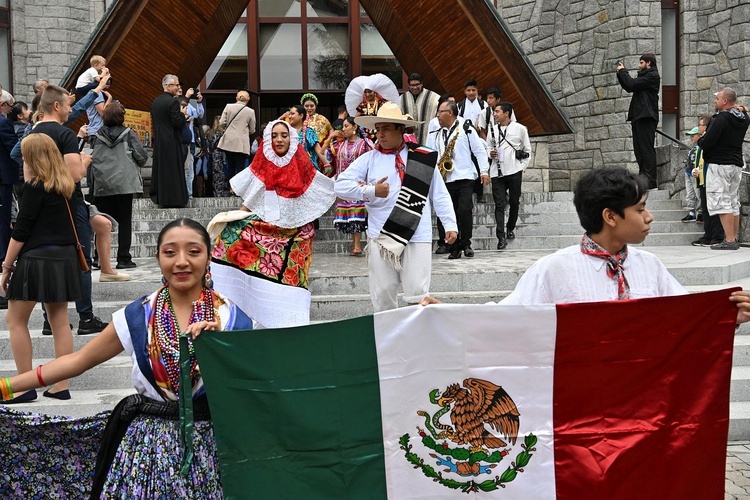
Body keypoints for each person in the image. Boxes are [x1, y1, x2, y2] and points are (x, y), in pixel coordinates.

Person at [0, 218, 254, 498]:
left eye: (193, 251)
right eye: (170, 252)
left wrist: (224, 345)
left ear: (209, 257)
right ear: (158, 258)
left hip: (215, 449)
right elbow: (78, 361)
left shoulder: (233, 319)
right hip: (146, 450)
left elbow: (259, 388)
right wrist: (7, 386)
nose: (182, 261)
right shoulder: (138, 316)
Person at [419, 168, 750, 322]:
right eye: (639, 209)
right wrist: (449, 316)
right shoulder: (556, 269)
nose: (649, 218)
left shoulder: (649, 267)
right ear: (610, 216)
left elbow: (685, 316)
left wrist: (725, 315)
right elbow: (507, 318)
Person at [210, 120, 334, 328]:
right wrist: (236, 216)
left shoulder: (301, 159)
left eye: (284, 135)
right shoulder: (263, 158)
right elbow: (254, 194)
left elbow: (316, 189)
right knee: (234, 236)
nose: (279, 139)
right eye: (274, 135)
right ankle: (260, 313)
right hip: (269, 228)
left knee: (293, 275)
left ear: (291, 138)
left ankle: (292, 322)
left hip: (297, 232)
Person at [335, 102, 458, 312]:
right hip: (381, 236)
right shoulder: (369, 159)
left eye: (386, 129)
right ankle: (388, 341)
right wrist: (372, 191)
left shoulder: (422, 158)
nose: (380, 135)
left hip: (416, 233)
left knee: (418, 296)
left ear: (401, 129)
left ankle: (417, 340)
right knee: (383, 296)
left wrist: (450, 224)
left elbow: (439, 193)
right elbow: (340, 186)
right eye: (378, 130)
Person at [0, 134, 81, 403]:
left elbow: (22, 229)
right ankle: (61, 384)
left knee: (15, 320)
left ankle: (24, 386)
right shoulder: (66, 186)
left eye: (25, 157)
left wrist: (7, 266)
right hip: (65, 256)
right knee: (59, 321)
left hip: (37, 258)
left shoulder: (35, 187)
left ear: (33, 159)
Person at [27, 85, 108, 336]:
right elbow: (74, 175)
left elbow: (27, 173)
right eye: (68, 105)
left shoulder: (31, 134)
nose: (71, 109)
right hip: (68, 203)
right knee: (81, 258)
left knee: (48, 259)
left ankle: (48, 319)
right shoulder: (65, 135)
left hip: (39, 205)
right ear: (56, 106)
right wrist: (83, 161)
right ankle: (85, 318)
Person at [427, 100, 490, 259]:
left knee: (464, 211)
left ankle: (466, 243)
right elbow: (431, 154)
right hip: (446, 179)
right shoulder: (438, 133)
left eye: (440, 112)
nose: (437, 115)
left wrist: (484, 171)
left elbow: (479, 151)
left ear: (450, 113)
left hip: (465, 177)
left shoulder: (466, 129)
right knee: (451, 213)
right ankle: (454, 247)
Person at [92, 101, 148, 270]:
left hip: (102, 184)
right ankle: (123, 258)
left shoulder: (96, 136)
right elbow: (142, 156)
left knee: (100, 221)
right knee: (124, 222)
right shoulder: (128, 133)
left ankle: (98, 258)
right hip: (124, 184)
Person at [698, 88, 750, 250]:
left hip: (720, 163)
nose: (715, 101)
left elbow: (707, 142)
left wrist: (701, 139)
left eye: (718, 99)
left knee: (721, 200)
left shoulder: (721, 119)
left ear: (725, 101)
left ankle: (728, 240)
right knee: (733, 201)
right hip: (735, 163)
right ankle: (732, 238)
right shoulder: (744, 117)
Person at [487, 101, 531, 249]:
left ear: (506, 113)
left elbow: (528, 150)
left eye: (497, 111)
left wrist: (521, 168)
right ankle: (500, 236)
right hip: (496, 172)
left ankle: (510, 227)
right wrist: (490, 153)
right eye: (494, 112)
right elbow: (487, 147)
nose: (494, 114)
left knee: (514, 202)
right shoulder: (492, 129)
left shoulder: (520, 129)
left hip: (514, 171)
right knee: (499, 204)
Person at [616, 53, 660, 190]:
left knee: (646, 150)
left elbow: (632, 84)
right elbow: (629, 87)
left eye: (641, 63)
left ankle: (650, 180)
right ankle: (643, 177)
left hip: (646, 117)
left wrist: (623, 71)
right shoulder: (645, 77)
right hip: (639, 117)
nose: (639, 66)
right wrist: (620, 74)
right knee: (639, 150)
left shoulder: (652, 76)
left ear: (649, 63)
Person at [331, 116, 373, 256]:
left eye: (346, 126)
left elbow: (372, 161)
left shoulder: (365, 144)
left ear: (355, 127)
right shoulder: (340, 145)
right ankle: (355, 245)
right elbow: (324, 154)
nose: (343, 129)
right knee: (350, 216)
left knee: (358, 214)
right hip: (345, 184)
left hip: (359, 183)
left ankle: (358, 245)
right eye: (343, 126)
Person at [149, 74, 188, 208]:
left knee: (162, 169)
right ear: (168, 86)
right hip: (171, 139)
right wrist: (183, 115)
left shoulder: (156, 101)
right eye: (176, 85)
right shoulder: (173, 102)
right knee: (173, 169)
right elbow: (177, 122)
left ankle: (161, 197)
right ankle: (175, 198)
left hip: (160, 139)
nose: (178, 88)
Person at [692, 114, 725, 246]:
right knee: (705, 209)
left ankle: (717, 236)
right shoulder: (702, 140)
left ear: (706, 126)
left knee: (714, 209)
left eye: (700, 124)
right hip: (702, 179)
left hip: (711, 178)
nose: (698, 127)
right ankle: (708, 234)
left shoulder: (711, 139)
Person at [217, 89, 256, 181]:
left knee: (230, 164)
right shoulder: (250, 111)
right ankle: (238, 188)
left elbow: (222, 123)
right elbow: (252, 129)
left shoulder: (228, 107)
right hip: (241, 142)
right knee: (240, 166)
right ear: (248, 99)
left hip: (228, 140)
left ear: (236, 98)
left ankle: (230, 187)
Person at [284, 104, 331, 174]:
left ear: (301, 116)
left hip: (308, 171)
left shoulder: (309, 132)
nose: (289, 116)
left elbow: (318, 150)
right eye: (289, 114)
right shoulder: (286, 133)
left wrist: (327, 164)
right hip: (290, 171)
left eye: (292, 114)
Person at [399, 72, 440, 146]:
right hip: (407, 141)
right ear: (408, 86)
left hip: (427, 138)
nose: (415, 87)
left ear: (422, 84)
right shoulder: (401, 99)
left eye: (417, 84)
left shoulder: (434, 98)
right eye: (412, 85)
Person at [681, 126, 703, 223]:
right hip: (688, 172)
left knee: (698, 194)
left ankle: (701, 213)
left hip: (696, 173)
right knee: (690, 194)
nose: (691, 138)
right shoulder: (693, 148)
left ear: (699, 135)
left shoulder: (702, 147)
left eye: (693, 135)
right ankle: (691, 212)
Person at [206, 116, 230, 196]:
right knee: (224, 175)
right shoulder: (223, 133)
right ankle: (224, 193)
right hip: (223, 155)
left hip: (214, 156)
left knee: (216, 176)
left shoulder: (211, 133)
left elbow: (209, 145)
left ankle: (217, 193)